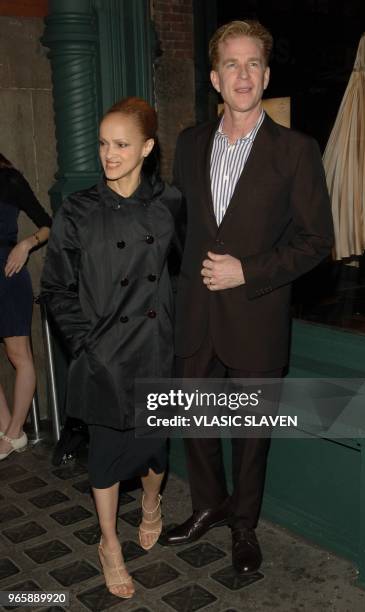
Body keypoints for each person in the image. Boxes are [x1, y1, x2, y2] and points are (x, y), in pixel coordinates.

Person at [160, 20, 334, 575]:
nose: (243, 73)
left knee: (251, 437)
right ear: (215, 77)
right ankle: (209, 504)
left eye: (253, 63)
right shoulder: (188, 143)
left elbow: (317, 243)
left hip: (256, 316)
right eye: (231, 64)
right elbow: (179, 227)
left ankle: (244, 527)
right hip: (194, 314)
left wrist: (248, 271)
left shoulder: (296, 151)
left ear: (266, 74)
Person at [41, 97, 180, 599]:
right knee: (103, 457)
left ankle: (149, 505)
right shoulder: (77, 210)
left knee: (153, 454)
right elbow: (55, 287)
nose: (109, 154)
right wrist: (84, 343)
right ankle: (108, 543)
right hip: (103, 354)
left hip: (154, 352)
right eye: (103, 143)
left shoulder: (170, 205)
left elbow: (186, 274)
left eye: (121, 144)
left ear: (147, 147)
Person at [0, 154, 51, 460]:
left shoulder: (9, 179)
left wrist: (26, 244)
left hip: (6, 273)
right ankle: (8, 429)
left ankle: (16, 431)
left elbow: (47, 224)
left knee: (18, 355)